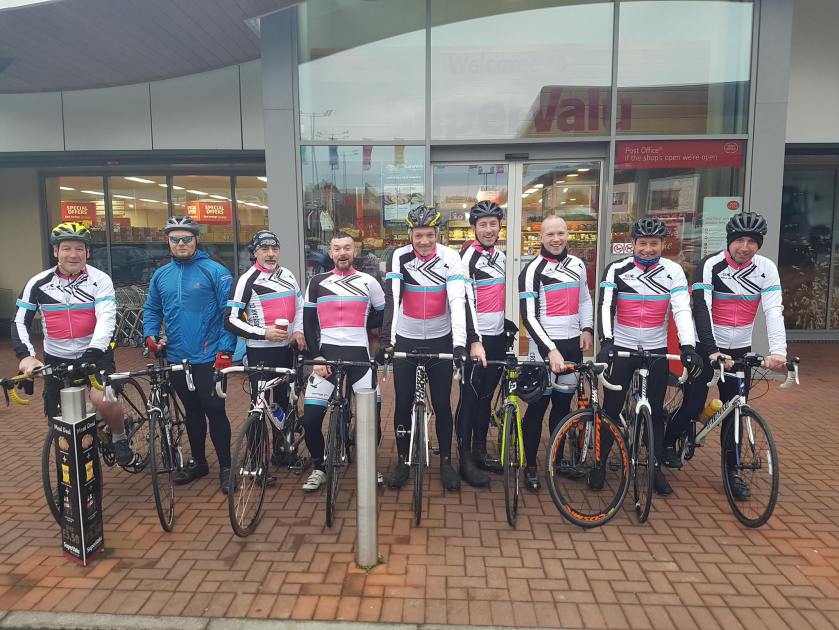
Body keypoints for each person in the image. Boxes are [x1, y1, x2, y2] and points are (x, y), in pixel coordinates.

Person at [663, 210, 786, 500]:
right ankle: (667, 443)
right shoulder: (711, 265)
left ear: (759, 244)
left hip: (740, 349)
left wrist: (779, 351)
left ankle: (732, 472)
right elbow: (701, 309)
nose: (745, 247)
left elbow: (773, 309)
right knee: (693, 405)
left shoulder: (766, 268)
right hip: (706, 346)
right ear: (729, 240)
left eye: (752, 241)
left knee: (735, 411)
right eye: (739, 240)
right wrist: (712, 351)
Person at [13, 222, 134, 466]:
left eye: (79, 249)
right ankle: (70, 477)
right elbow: (19, 321)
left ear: (87, 252)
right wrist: (26, 356)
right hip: (57, 357)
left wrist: (93, 351)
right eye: (66, 248)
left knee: (104, 399)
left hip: (95, 353)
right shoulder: (38, 283)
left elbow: (106, 318)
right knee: (57, 419)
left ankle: (119, 436)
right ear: (55, 251)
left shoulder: (100, 280)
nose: (73, 254)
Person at [597, 217, 703, 496]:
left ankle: (654, 469)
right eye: (642, 243)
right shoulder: (617, 269)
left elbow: (681, 309)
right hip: (623, 346)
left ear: (662, 244)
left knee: (655, 411)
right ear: (633, 244)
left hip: (656, 349)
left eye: (653, 243)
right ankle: (599, 462)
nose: (647, 248)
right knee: (612, 407)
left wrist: (688, 347)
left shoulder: (673, 271)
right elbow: (606, 306)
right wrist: (607, 342)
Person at [380, 205, 473, 491]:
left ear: (437, 234)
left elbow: (457, 300)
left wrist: (459, 344)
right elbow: (393, 297)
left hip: (439, 337)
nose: (424, 241)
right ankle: (402, 462)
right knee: (403, 402)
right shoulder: (399, 256)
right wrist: (388, 341)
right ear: (410, 234)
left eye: (429, 235)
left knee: (443, 404)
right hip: (407, 338)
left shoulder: (450, 257)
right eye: (418, 235)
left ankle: (446, 462)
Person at [143, 215, 237, 494]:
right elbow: (152, 309)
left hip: (210, 356)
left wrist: (226, 349)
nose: (181, 243)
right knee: (192, 412)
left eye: (186, 238)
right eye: (175, 239)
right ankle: (199, 463)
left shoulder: (215, 271)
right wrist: (150, 335)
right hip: (177, 356)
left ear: (196, 240)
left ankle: (227, 467)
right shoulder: (161, 275)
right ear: (168, 241)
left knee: (215, 410)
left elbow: (231, 313)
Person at [300, 232, 386, 491]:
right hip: (325, 358)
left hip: (360, 358)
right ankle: (319, 467)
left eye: (347, 248)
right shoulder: (317, 282)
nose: (342, 253)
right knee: (310, 420)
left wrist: (362, 323)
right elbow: (308, 323)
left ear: (354, 251)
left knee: (372, 419)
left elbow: (383, 315)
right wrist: (315, 356)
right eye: (337, 248)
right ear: (330, 253)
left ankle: (369, 465)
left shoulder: (369, 282)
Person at [518, 215, 594, 492]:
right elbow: (528, 317)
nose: (556, 239)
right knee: (537, 407)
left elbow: (584, 299)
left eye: (560, 233)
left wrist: (587, 328)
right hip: (543, 348)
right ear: (541, 237)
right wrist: (550, 350)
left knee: (563, 407)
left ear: (567, 234)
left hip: (573, 344)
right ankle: (530, 466)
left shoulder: (577, 265)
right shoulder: (531, 270)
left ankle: (557, 460)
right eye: (550, 234)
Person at [224, 229, 305, 468]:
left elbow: (300, 307)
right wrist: (263, 333)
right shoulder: (246, 280)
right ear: (255, 252)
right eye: (264, 249)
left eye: (274, 249)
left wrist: (298, 331)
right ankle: (257, 462)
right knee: (258, 406)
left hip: (287, 350)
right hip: (261, 352)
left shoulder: (288, 274)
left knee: (285, 403)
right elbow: (230, 320)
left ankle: (283, 451)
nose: (270, 254)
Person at [455, 201, 508, 487]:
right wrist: (474, 340)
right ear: (474, 228)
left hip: (496, 336)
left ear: (500, 226)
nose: (488, 230)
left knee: (486, 397)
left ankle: (479, 450)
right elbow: (465, 302)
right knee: (470, 398)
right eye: (483, 225)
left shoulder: (501, 257)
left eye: (493, 224)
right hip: (476, 339)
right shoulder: (467, 258)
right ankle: (464, 458)